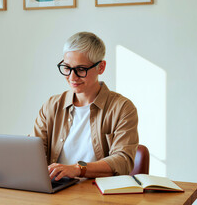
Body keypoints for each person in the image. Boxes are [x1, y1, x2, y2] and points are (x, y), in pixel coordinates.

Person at [34, 32, 138, 181]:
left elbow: (123, 161)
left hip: (99, 193)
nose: (72, 77)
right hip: (57, 191)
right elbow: (33, 152)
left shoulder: (123, 108)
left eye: (81, 69)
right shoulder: (52, 105)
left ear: (101, 67)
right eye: (67, 68)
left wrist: (77, 169)